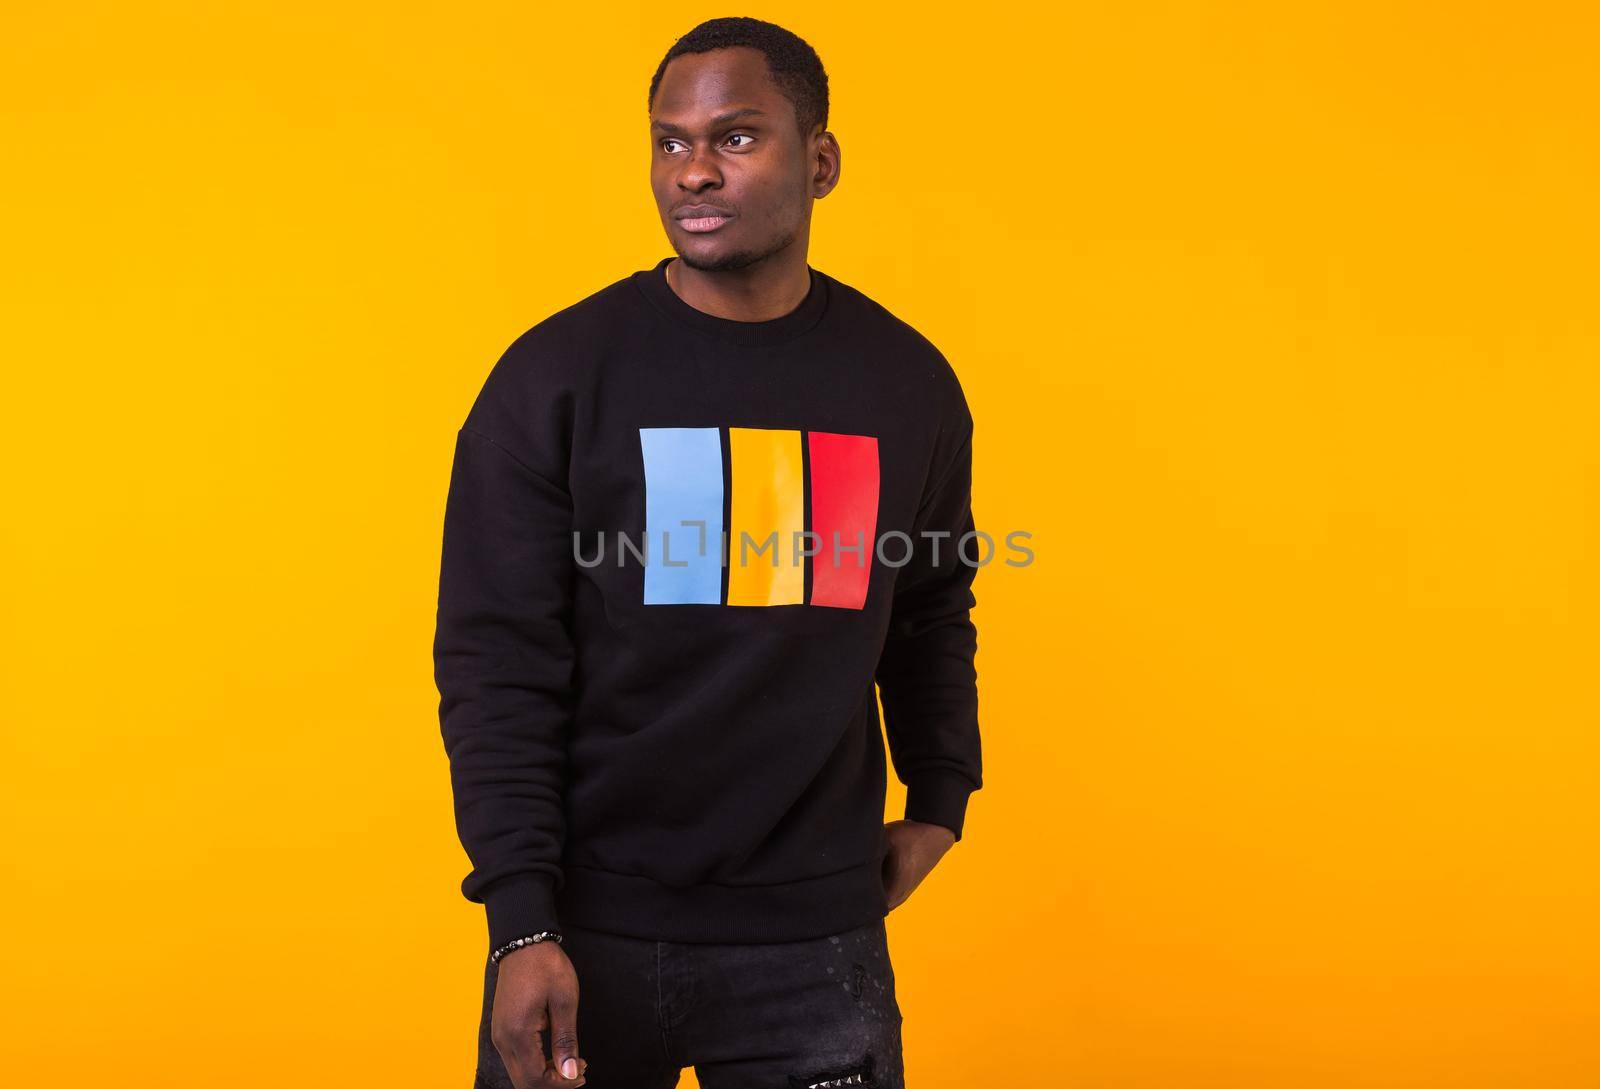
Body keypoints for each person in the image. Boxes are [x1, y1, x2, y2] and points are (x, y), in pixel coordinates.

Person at [433, 16, 983, 1089]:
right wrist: (518, 923)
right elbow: (497, 661)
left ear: (818, 161)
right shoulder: (555, 377)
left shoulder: (905, 383)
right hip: (585, 933)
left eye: (734, 138)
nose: (692, 172)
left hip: (816, 947)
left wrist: (940, 796)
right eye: (669, 142)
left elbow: (928, 604)